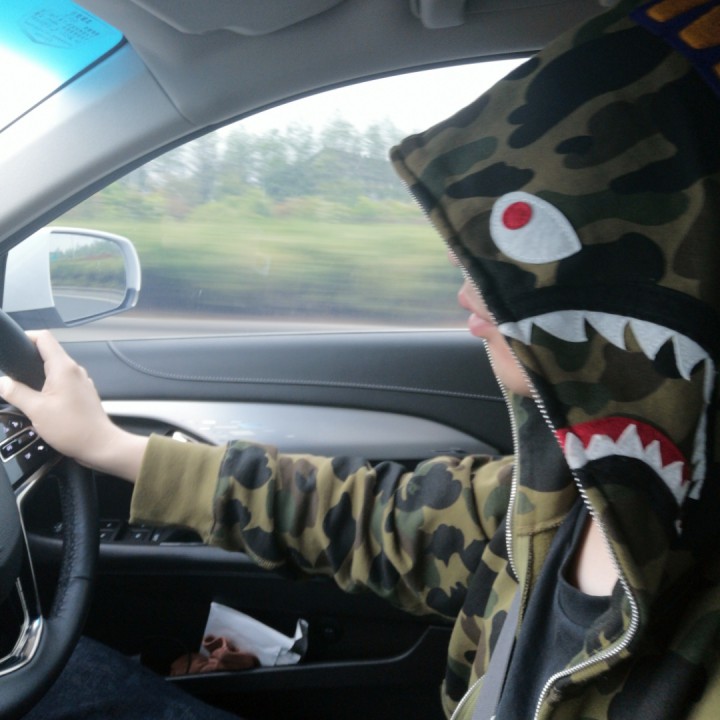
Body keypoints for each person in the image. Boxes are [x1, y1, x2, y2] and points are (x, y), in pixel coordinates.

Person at [4, 0, 720, 717]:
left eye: (516, 264)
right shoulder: (553, 493)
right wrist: (110, 446)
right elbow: (366, 516)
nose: (468, 294)